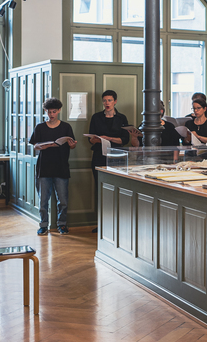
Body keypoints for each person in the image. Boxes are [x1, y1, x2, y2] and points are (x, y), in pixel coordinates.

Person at [29, 98, 77, 235]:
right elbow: (35, 146)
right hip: (44, 168)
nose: (51, 114)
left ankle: (62, 224)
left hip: (61, 166)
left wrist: (73, 144)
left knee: (63, 200)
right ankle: (43, 225)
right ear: (46, 111)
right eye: (49, 112)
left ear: (59, 111)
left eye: (54, 112)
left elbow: (72, 145)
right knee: (43, 200)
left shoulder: (66, 127)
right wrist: (49, 145)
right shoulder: (40, 127)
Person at [88, 90, 131, 232]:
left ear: (115, 101)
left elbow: (124, 140)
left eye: (110, 100)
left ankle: (118, 224)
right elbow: (91, 139)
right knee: (101, 190)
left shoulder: (122, 118)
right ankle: (102, 223)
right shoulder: (96, 117)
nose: (107, 103)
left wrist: (107, 138)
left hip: (117, 156)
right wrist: (96, 139)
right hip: (99, 156)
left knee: (117, 189)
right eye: (105, 100)